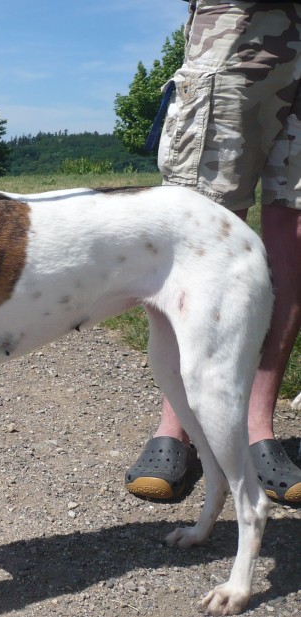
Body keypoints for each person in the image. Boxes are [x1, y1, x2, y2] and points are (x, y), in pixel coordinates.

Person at [125, 0, 301, 504]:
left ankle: (257, 424)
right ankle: (177, 424)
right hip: (234, 34)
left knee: (295, 236)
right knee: (196, 241)